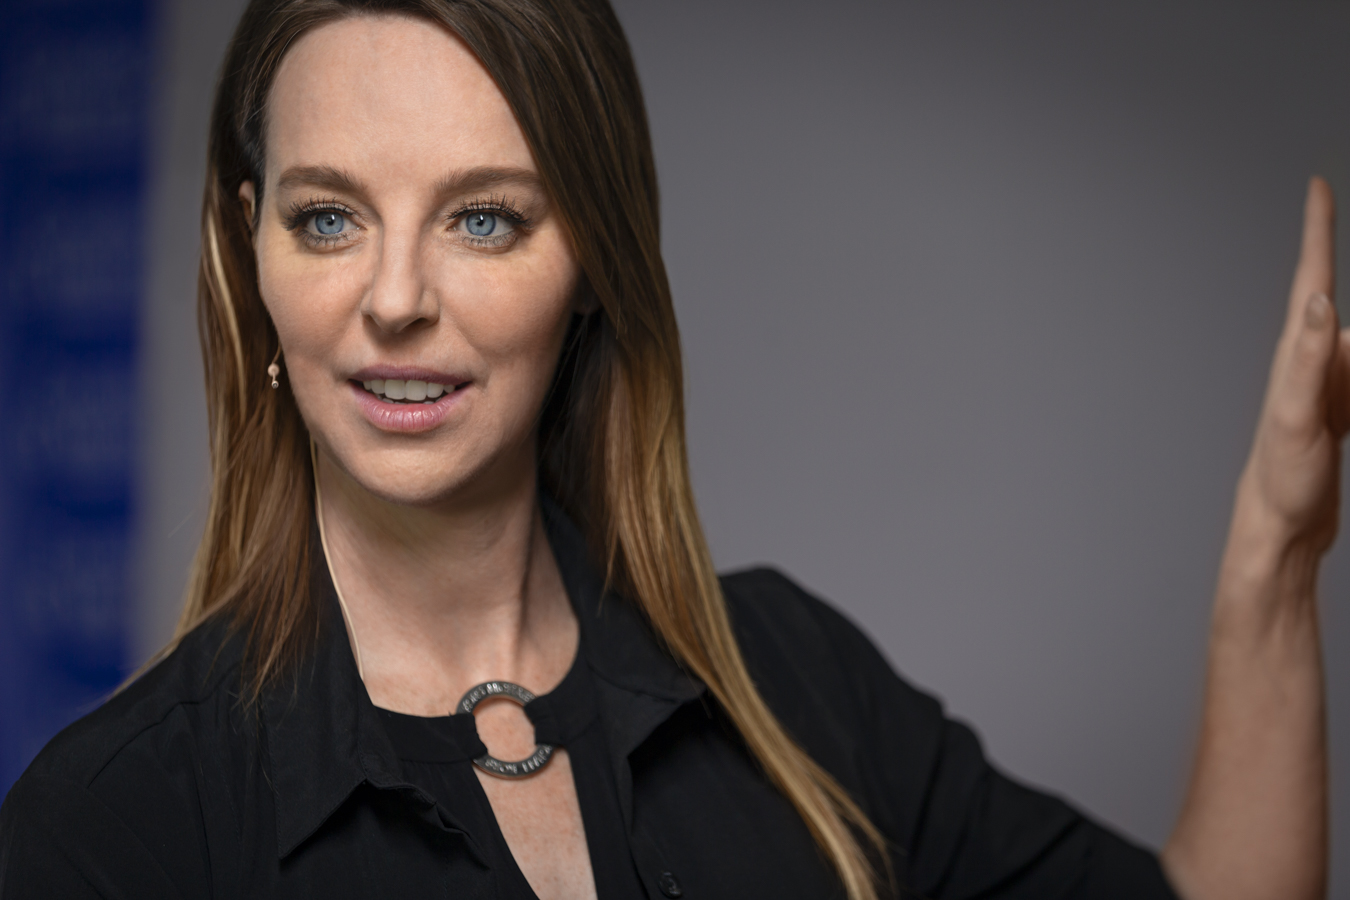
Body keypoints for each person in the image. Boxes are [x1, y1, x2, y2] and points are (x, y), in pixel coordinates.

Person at [0, 1, 1337, 898]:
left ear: (590, 258)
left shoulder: (792, 687)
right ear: (251, 245)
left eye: (483, 220)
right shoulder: (111, 826)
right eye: (330, 218)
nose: (394, 297)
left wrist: (1274, 559)